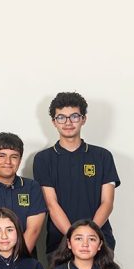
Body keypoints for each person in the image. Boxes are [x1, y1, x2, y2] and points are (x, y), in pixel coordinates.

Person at [33, 92, 119, 255]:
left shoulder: (102, 156)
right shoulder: (43, 159)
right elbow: (51, 204)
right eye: (61, 117)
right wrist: (74, 238)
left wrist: (89, 237)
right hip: (60, 243)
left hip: (99, 241)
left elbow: (107, 202)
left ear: (83, 119)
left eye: (74, 116)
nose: (68, 122)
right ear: (54, 122)